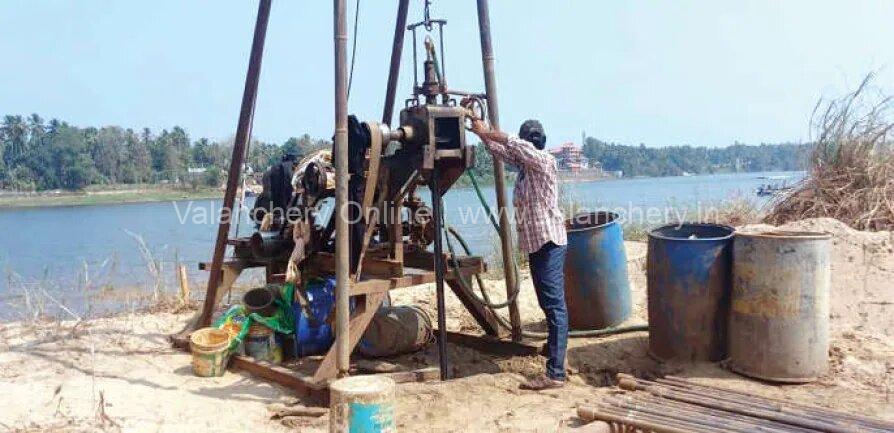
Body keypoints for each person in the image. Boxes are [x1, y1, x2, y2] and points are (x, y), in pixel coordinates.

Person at [470, 117, 569, 390]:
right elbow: (502, 151)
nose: (531, 142)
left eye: (533, 138)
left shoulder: (543, 161)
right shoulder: (526, 167)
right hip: (537, 243)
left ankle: (555, 374)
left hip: (549, 241)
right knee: (546, 301)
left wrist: (488, 131)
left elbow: (514, 144)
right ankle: (554, 351)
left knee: (554, 305)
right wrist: (481, 134)